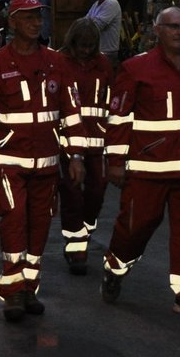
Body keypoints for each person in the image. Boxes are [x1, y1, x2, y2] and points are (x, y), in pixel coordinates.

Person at [0, 0, 85, 320]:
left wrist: (75, 155)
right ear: (12, 22)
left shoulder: (56, 63)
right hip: (9, 162)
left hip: (48, 163)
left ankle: (30, 286)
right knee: (14, 220)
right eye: (28, 17)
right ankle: (12, 291)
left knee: (40, 225)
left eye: (39, 16)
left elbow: (71, 113)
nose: (36, 22)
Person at [101, 6, 180, 318]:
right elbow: (119, 117)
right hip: (147, 170)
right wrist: (115, 161)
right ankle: (115, 265)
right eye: (173, 26)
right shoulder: (136, 69)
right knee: (136, 227)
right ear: (157, 30)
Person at [56, 17, 113, 275]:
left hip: (97, 143)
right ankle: (75, 246)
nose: (85, 51)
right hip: (67, 142)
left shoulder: (104, 65)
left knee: (97, 191)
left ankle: (85, 230)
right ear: (72, 42)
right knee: (71, 194)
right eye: (81, 45)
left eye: (90, 46)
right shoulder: (59, 63)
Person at [85, 0, 123, 65]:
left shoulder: (111, 3)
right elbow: (84, 23)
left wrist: (90, 22)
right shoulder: (97, 3)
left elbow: (97, 26)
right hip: (98, 50)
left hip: (107, 52)